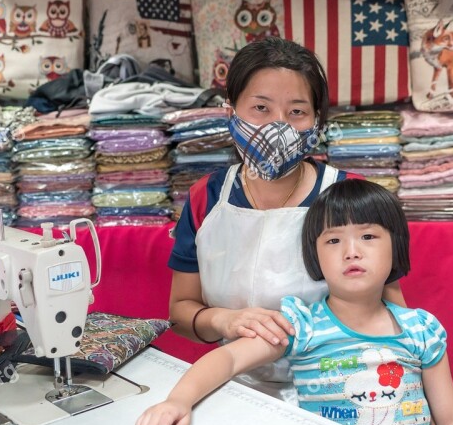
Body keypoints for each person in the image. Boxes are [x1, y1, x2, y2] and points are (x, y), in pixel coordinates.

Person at [138, 179, 453, 425]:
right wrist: (178, 401)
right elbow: (225, 360)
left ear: (397, 246)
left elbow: (450, 420)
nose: (351, 251)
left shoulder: (422, 330)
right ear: (313, 257)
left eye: (368, 236)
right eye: (333, 240)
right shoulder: (301, 326)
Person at [167, 38, 405, 401]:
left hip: (341, 390)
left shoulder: (350, 198)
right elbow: (181, 311)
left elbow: (393, 313)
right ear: (231, 113)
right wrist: (224, 320)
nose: (278, 126)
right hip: (232, 386)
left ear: (317, 121)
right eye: (260, 107)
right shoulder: (207, 198)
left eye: (296, 112)